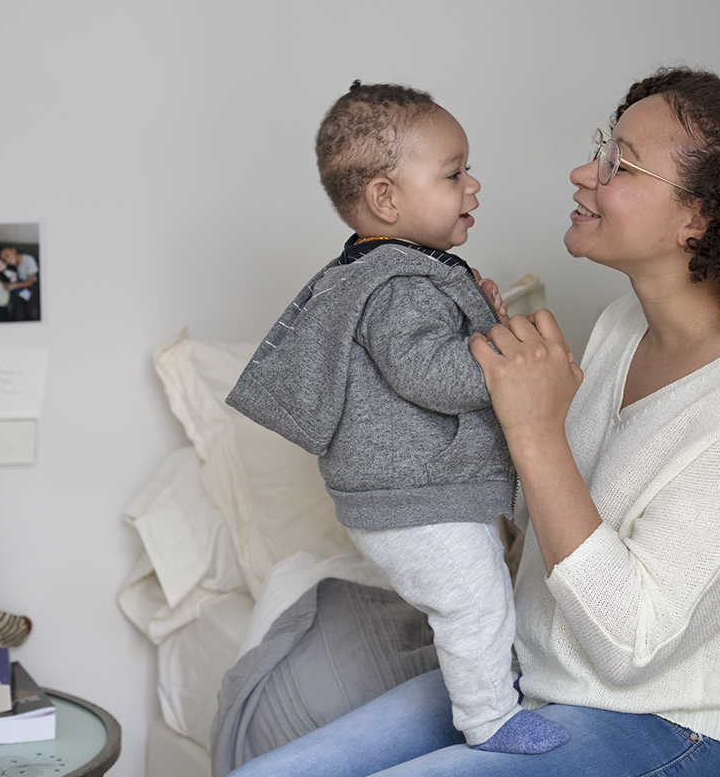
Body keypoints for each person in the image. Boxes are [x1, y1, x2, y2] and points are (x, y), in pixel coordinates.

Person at [227, 66, 720, 777]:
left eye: (619, 162)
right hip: (532, 682)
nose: (583, 171)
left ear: (698, 218)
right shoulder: (624, 326)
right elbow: (540, 520)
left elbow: (629, 649)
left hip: (677, 729)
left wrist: (535, 432)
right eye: (600, 147)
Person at [226, 82, 570, 756]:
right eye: (454, 172)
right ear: (386, 198)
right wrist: (509, 349)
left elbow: (431, 356)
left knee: (488, 594)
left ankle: (500, 690)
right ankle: (491, 721)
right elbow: (433, 375)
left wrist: (482, 318)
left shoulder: (395, 271)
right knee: (475, 601)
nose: (474, 185)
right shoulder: (399, 283)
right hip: (414, 503)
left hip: (410, 499)